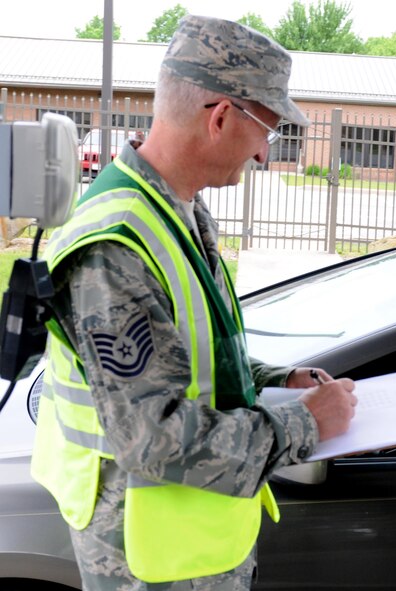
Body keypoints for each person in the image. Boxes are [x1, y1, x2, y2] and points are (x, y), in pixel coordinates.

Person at [30, 15, 358, 591]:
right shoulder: (116, 246)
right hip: (148, 561)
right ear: (222, 116)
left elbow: (190, 356)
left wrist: (280, 379)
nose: (264, 156)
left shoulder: (173, 207)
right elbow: (151, 436)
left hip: (187, 548)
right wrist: (304, 424)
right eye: (270, 131)